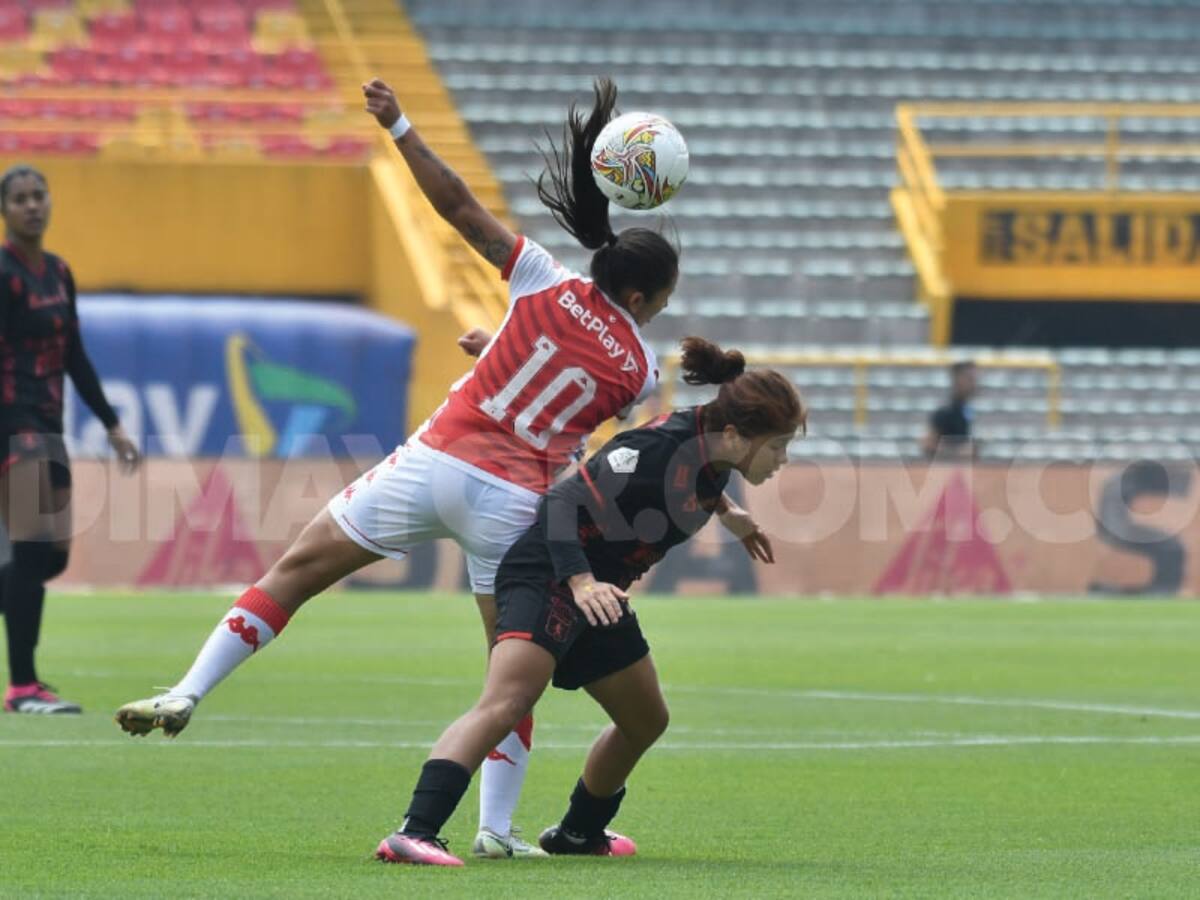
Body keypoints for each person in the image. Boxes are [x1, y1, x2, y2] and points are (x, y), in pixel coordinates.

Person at [116, 78, 768, 859]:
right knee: (509, 675)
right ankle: (494, 829)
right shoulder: (638, 363)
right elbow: (575, 398)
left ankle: (188, 688)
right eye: (660, 298)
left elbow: (459, 206)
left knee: (295, 571)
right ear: (638, 294)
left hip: (432, 460)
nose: (661, 309)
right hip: (514, 501)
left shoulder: (542, 278)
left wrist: (399, 126)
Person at [373, 337, 806, 866]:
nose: (783, 459)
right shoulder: (653, 451)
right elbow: (561, 500)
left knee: (646, 719)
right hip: (552, 574)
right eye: (779, 446)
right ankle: (413, 833)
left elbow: (697, 479)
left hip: (600, 590)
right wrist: (579, 582)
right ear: (736, 435)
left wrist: (729, 514)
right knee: (508, 700)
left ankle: (579, 833)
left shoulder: (713, 446)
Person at [0, 164, 140, 714]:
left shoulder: (58, 272)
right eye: (20, 199)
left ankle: (25, 684)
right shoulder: (4, 274)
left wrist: (111, 423)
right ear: (6, 212)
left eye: (39, 196)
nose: (32, 206)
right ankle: (23, 687)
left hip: (50, 427)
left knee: (50, 558)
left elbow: (75, 356)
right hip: (14, 427)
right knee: (33, 551)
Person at [921, 360, 978, 458]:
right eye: (970, 378)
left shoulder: (968, 409)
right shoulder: (946, 411)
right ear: (957, 379)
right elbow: (928, 444)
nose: (974, 383)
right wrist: (957, 452)